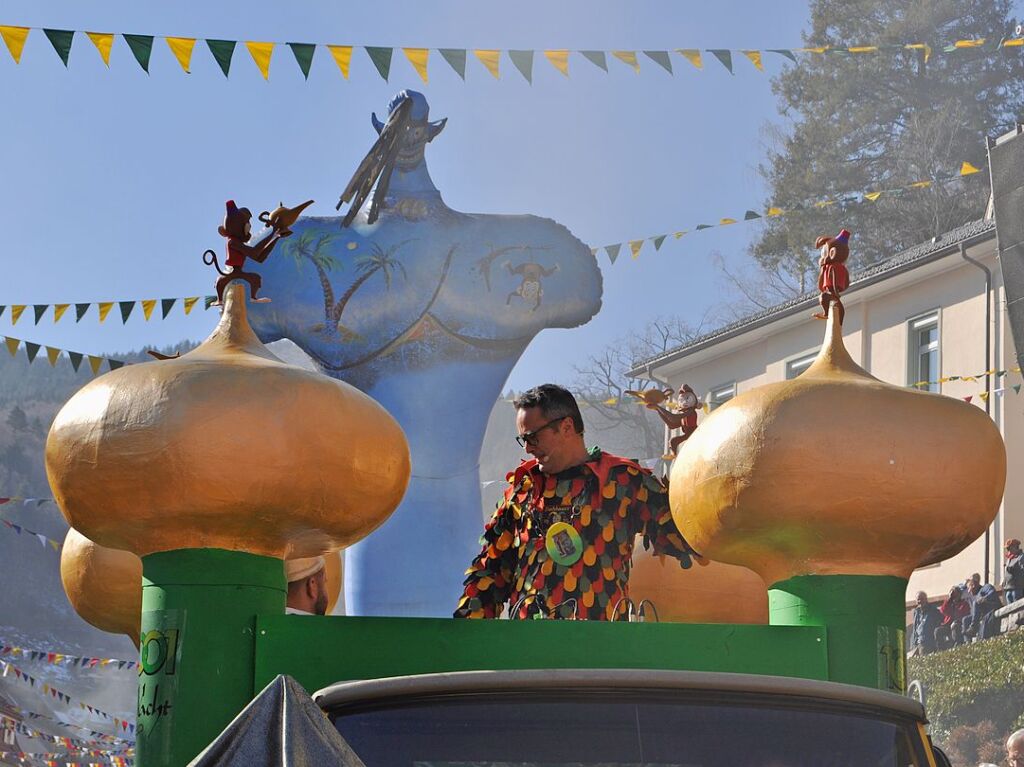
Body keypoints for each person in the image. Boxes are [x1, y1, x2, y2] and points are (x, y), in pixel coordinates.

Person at [454, 384, 702, 621]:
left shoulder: (625, 480)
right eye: (523, 440)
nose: (528, 449)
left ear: (566, 427)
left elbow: (684, 534)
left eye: (533, 437)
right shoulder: (522, 489)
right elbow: (490, 572)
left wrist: (699, 470)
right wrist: (464, 637)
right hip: (526, 648)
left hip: (600, 650)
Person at [647, 383, 702, 455]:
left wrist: (658, 407)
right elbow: (671, 425)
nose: (684, 402)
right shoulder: (684, 415)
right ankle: (674, 455)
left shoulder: (690, 412)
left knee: (674, 441)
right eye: (681, 400)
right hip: (689, 435)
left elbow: (673, 418)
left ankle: (675, 455)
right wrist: (657, 410)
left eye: (688, 399)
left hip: (694, 433)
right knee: (673, 442)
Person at [909, 591, 941, 656]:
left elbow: (939, 623)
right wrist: (913, 644)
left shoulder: (933, 610)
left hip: (929, 642)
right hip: (918, 643)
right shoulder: (916, 612)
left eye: (922, 599)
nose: (920, 601)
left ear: (926, 599)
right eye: (918, 599)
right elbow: (915, 629)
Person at [1005, 539, 1024, 604]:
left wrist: (1013, 569)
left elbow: (1022, 570)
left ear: (1015, 547)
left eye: (1009, 548)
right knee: (1009, 602)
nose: (1008, 550)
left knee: (1016, 604)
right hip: (1008, 587)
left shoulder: (1021, 557)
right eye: (1007, 549)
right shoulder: (1009, 559)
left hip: (1017, 587)